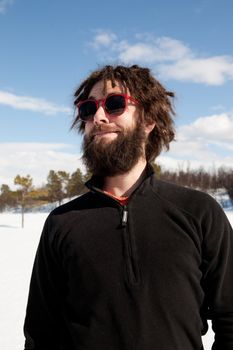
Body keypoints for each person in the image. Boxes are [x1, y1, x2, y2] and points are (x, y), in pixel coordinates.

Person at [23, 65, 233, 350]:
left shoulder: (199, 212)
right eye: (88, 109)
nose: (98, 117)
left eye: (114, 103)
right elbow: (41, 334)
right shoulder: (62, 222)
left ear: (149, 120)